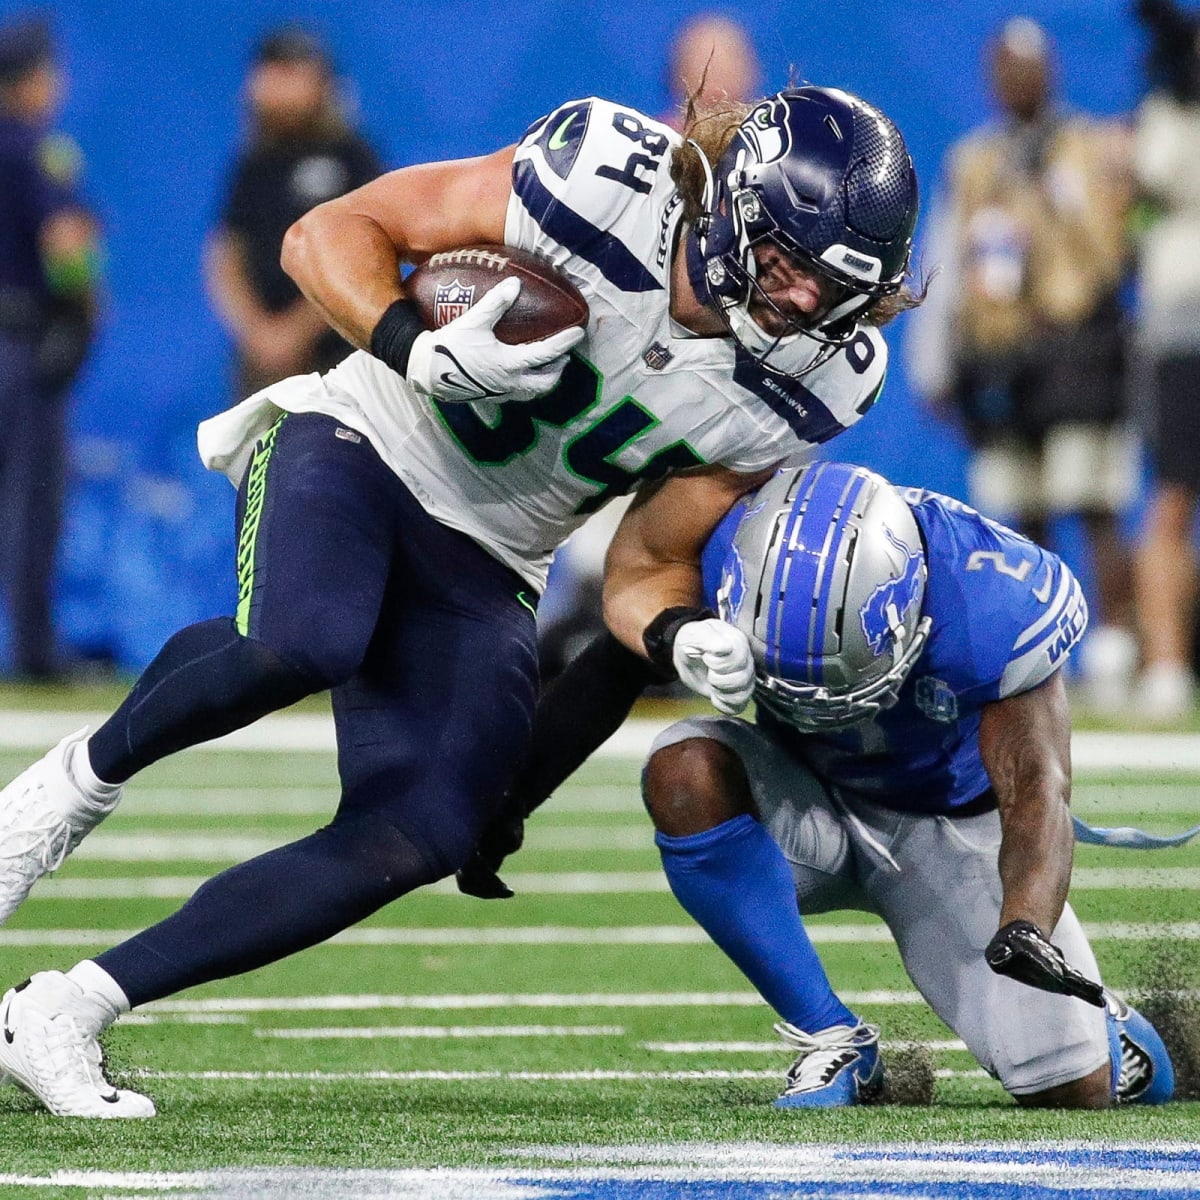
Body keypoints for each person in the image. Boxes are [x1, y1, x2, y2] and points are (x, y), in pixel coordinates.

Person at [0, 84, 921, 1117]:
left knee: (423, 830)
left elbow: (642, 566)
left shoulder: (820, 376)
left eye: (832, 288)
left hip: (494, 549)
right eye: (791, 264)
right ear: (738, 209)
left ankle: (66, 1010)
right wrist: (415, 346)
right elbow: (328, 235)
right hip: (364, 435)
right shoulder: (607, 179)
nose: (801, 303)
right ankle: (55, 801)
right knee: (303, 641)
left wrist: (678, 631)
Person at [476, 461, 1179, 1109]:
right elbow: (613, 665)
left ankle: (1107, 1031)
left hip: (951, 825)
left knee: (1073, 1089)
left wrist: (1024, 921)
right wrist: (507, 803)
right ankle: (832, 1039)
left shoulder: (994, 600)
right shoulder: (731, 554)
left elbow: (1036, 791)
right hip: (804, 796)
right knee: (683, 767)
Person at [906, 16, 1138, 712]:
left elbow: (1117, 252)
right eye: (1005, 68)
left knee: (1091, 501)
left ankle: (1118, 650)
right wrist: (935, 362)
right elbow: (944, 260)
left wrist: (1066, 197)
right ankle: (1042, 652)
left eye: (1028, 67)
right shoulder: (976, 160)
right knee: (1022, 514)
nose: (1018, 81)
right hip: (1003, 360)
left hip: (1078, 352)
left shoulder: (1090, 148)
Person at [0, 13, 101, 680]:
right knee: (33, 494)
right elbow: (66, 243)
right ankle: (35, 650)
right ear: (32, 79)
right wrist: (81, 309)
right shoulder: (33, 149)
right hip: (19, 340)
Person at [205, 27, 382, 398]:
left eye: (291, 72)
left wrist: (297, 330)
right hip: (263, 365)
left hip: (340, 358)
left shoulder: (352, 158)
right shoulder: (253, 164)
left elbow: (368, 257)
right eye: (270, 72)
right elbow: (226, 255)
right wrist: (258, 331)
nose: (276, 86)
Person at [1129, 0, 1200, 719]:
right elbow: (1149, 187)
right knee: (1173, 497)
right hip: (1182, 331)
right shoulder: (1166, 117)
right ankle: (1167, 660)